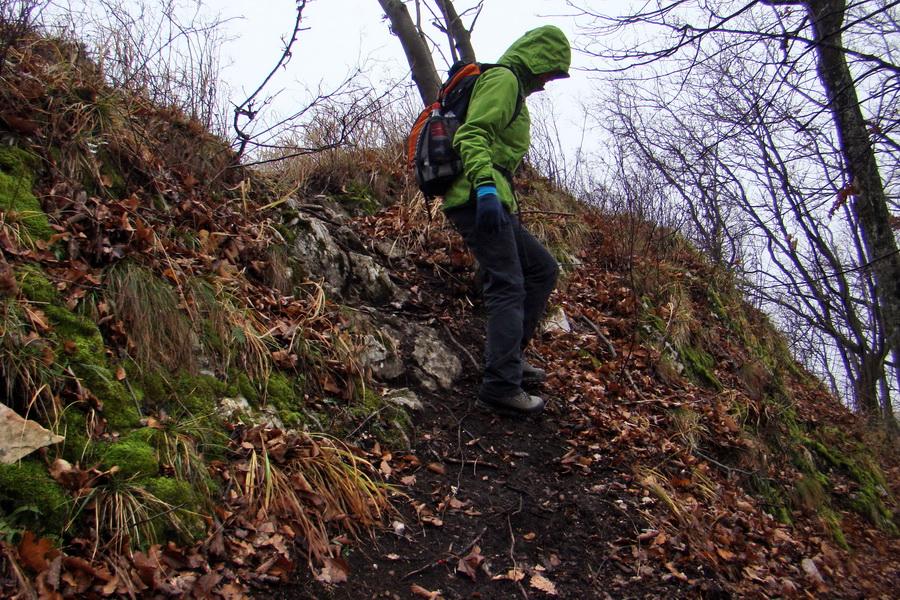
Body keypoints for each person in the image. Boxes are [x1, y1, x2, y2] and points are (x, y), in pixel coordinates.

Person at [442, 25, 571, 415]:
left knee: (542, 269)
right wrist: (484, 188)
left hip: (495, 199)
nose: (549, 82)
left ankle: (508, 360)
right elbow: (473, 134)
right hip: (477, 196)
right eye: (551, 70)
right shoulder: (504, 80)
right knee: (508, 283)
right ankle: (500, 385)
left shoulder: (514, 88)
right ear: (537, 58)